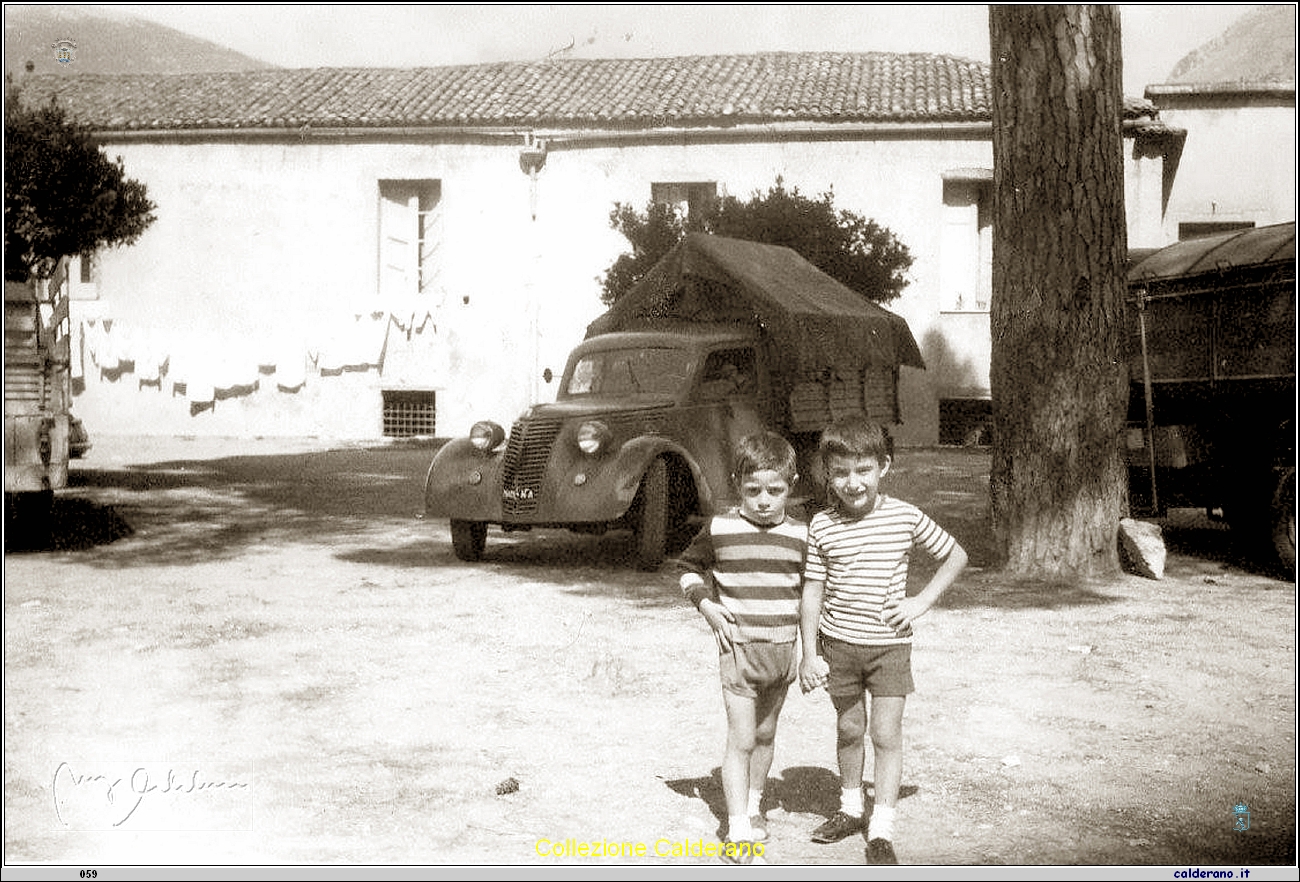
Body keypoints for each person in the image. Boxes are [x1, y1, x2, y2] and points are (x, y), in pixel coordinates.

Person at [797, 415, 968, 865]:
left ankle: (882, 828)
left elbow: (955, 554)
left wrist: (920, 602)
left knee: (885, 733)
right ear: (827, 475)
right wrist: (809, 654)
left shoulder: (904, 517)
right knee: (850, 728)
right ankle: (851, 808)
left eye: (863, 470)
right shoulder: (821, 525)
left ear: (883, 466)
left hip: (890, 647)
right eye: (840, 473)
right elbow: (812, 592)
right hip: (839, 646)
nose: (853, 483)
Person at [676, 431, 809, 864]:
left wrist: (812, 651)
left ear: (792, 483)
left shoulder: (803, 536)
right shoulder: (720, 528)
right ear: (737, 484)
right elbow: (686, 570)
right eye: (753, 491)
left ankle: (754, 805)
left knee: (766, 734)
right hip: (739, 652)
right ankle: (737, 829)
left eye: (776, 490)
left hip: (783, 651)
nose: (764, 500)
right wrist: (707, 607)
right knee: (741, 739)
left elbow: (814, 592)